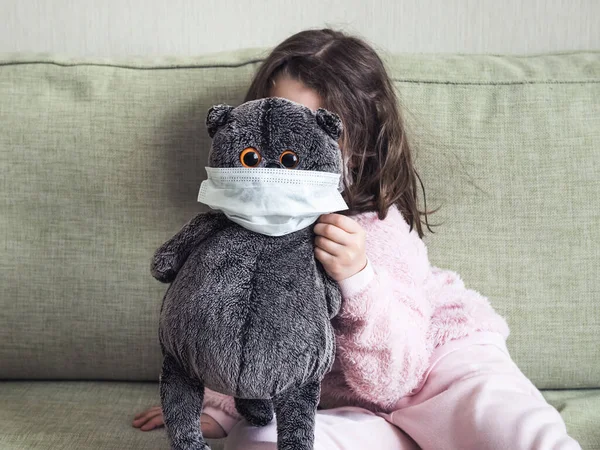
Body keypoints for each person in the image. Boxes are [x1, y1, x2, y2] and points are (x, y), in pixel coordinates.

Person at [133, 29, 580, 449]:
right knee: (259, 441)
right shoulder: (239, 237)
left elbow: (394, 377)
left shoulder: (378, 229)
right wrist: (223, 409)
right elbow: (239, 322)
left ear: (356, 142)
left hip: (438, 369)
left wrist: (358, 278)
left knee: (518, 432)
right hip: (350, 409)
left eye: (307, 126)